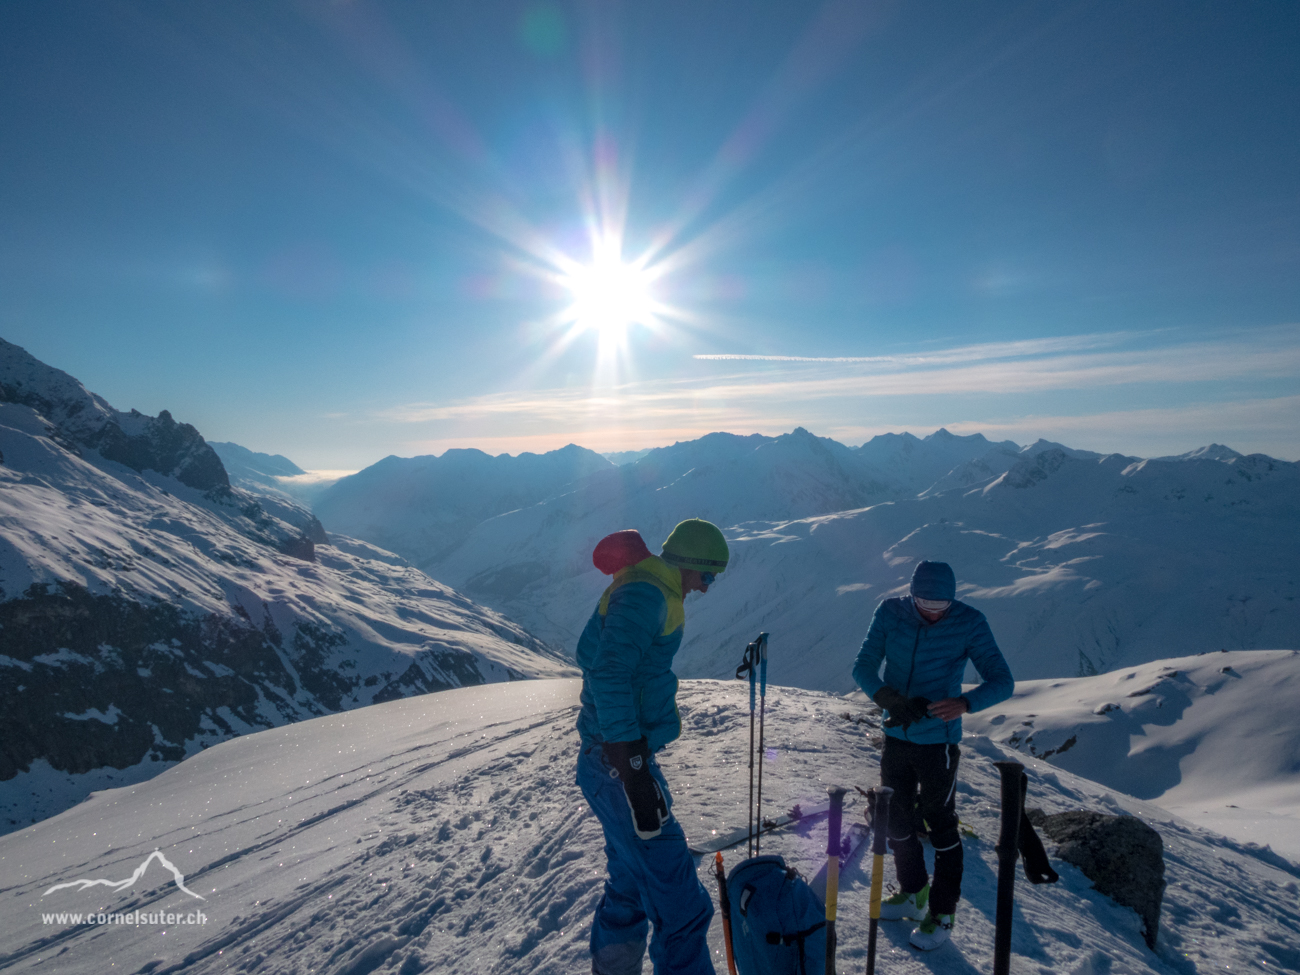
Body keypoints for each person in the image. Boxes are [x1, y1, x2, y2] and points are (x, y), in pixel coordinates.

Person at [576, 519, 729, 975]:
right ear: (690, 566)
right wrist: (631, 760)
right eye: (708, 577)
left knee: (629, 886)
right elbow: (609, 671)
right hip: (616, 764)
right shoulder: (647, 593)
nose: (706, 588)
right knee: (682, 906)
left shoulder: (652, 587)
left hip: (613, 760)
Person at [852, 560, 1014, 950]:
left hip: (938, 742)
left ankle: (942, 913)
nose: (931, 612)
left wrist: (965, 702)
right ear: (911, 595)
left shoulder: (970, 622)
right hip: (896, 733)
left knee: (941, 826)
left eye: (941, 606)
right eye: (924, 602)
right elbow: (864, 666)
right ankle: (912, 894)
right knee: (896, 821)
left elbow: (1002, 680)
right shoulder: (890, 612)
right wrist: (888, 698)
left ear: (953, 602)